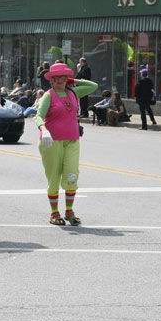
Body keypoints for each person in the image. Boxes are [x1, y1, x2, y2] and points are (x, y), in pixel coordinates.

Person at [34, 62, 98, 226]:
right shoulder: (48, 95)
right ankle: (54, 212)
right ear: (52, 80)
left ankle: (69, 211)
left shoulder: (73, 92)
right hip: (51, 142)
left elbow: (93, 85)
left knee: (71, 175)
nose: (60, 80)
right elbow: (39, 116)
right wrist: (44, 130)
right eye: (57, 78)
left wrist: (74, 81)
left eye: (63, 77)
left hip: (72, 140)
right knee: (54, 177)